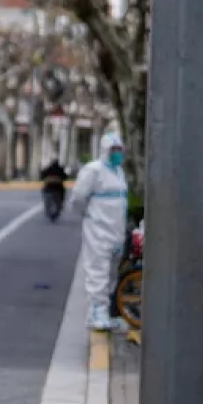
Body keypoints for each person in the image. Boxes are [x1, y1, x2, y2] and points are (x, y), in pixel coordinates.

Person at [69, 132, 129, 331]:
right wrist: (89, 217)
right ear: (105, 150)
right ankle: (97, 313)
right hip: (98, 230)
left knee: (111, 273)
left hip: (116, 231)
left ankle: (101, 312)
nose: (117, 154)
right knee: (98, 272)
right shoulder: (93, 170)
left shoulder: (119, 172)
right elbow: (78, 198)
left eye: (119, 150)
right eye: (114, 150)